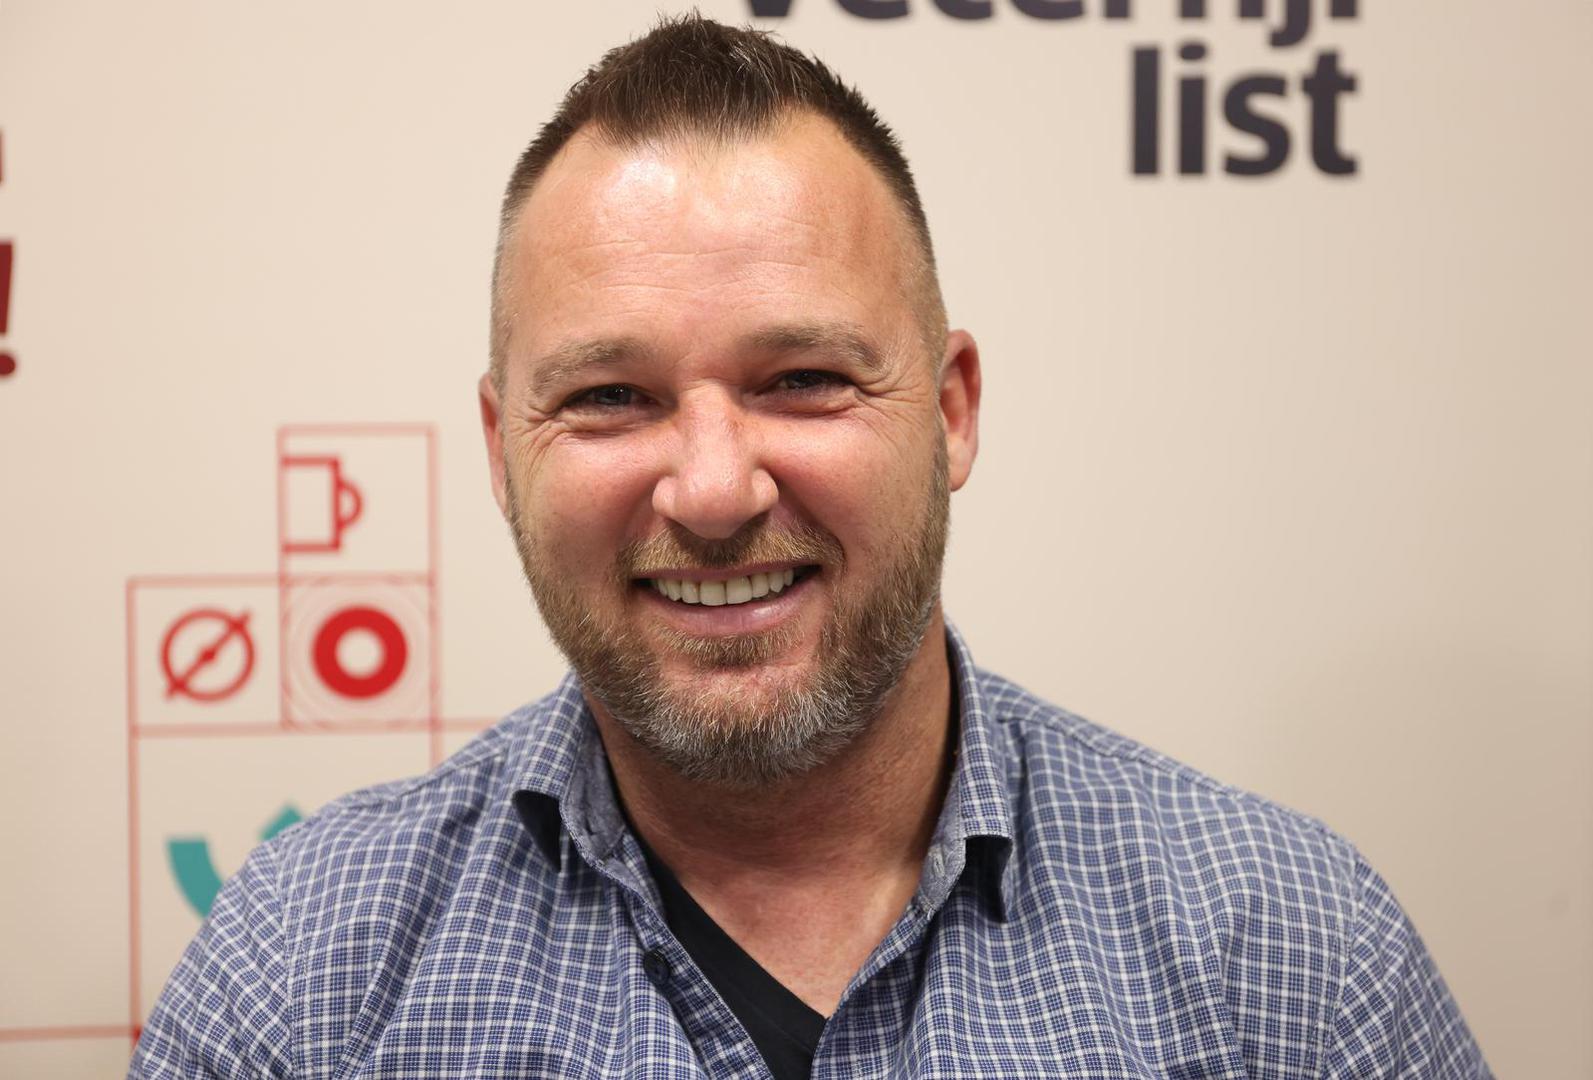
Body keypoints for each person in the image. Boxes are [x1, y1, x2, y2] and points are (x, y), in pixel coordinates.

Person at [132, 15, 1491, 1079]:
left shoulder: (1287, 960)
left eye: (802, 380)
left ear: (951, 411)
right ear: (502, 449)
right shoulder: (302, 985)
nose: (714, 490)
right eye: (610, 396)